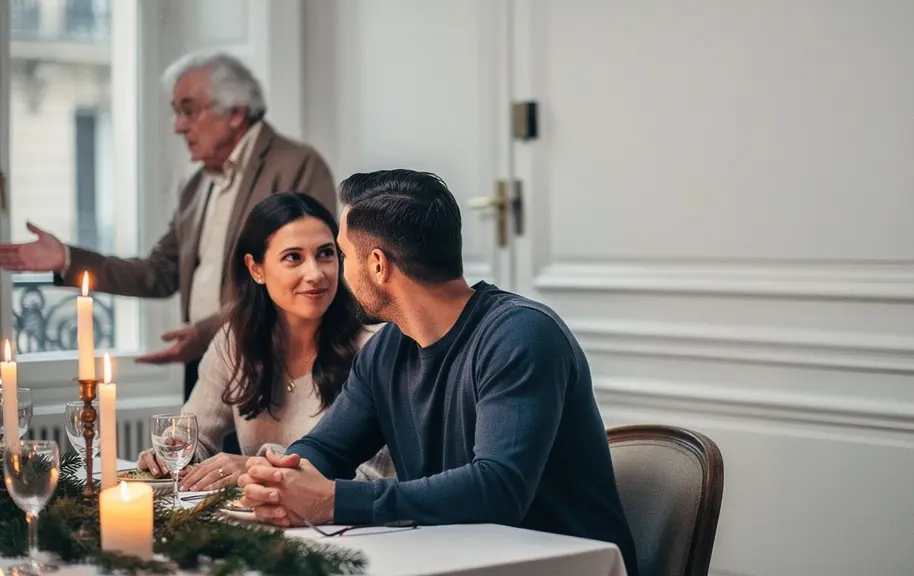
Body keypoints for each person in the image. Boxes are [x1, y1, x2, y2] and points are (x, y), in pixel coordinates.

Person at [238, 169, 639, 576]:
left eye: (342, 256)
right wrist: (282, 477)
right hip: (451, 561)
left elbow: (498, 489)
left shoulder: (522, 335)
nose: (340, 274)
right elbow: (328, 449)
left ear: (377, 265)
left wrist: (332, 500)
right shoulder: (386, 351)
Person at [0, 50, 337, 408]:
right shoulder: (196, 185)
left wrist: (207, 332)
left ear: (236, 112)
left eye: (189, 110)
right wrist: (67, 258)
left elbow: (306, 276)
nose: (178, 125)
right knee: (198, 462)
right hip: (204, 364)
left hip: (272, 362)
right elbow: (158, 272)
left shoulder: (297, 165)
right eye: (177, 112)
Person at [137, 193, 392, 491]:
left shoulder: (375, 347)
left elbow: (377, 474)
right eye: (293, 257)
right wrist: (170, 451)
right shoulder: (234, 342)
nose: (315, 273)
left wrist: (256, 467)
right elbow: (197, 435)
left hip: (347, 529)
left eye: (326, 253)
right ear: (256, 268)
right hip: (261, 523)